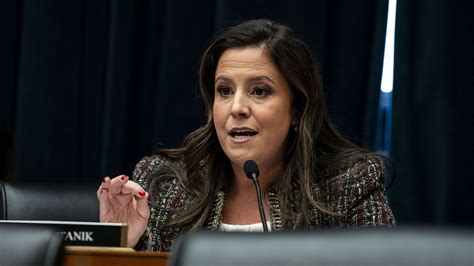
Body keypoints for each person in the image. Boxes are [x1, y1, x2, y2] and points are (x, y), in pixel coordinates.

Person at [97, 19, 395, 252]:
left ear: (297, 108)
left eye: (260, 91)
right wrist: (118, 250)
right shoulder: (165, 183)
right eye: (224, 91)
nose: (237, 107)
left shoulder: (347, 185)